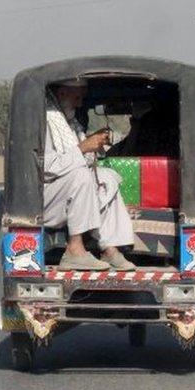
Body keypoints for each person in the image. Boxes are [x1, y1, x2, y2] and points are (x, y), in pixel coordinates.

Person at [43, 80, 136, 271]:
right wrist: (83, 147)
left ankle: (109, 248)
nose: (79, 104)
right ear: (61, 94)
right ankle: (74, 249)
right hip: (47, 196)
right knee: (81, 176)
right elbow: (48, 166)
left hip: (66, 190)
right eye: (77, 98)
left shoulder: (70, 122)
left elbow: (80, 154)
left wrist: (93, 144)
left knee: (108, 177)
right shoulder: (46, 122)